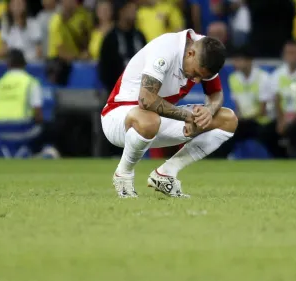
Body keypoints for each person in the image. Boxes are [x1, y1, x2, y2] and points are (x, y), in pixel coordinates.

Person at [100, 29, 236, 198]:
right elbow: (146, 100)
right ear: (190, 53)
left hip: (158, 120)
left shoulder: (207, 51)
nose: (196, 81)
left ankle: (166, 173)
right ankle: (123, 174)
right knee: (149, 119)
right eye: (195, 74)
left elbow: (215, 94)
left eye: (202, 77)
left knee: (228, 120)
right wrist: (187, 116)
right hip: (118, 117)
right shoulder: (166, 49)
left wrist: (209, 110)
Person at [0, 49, 59, 158]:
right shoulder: (30, 82)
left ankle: (23, 153)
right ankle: (45, 154)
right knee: (53, 128)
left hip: (1, 132)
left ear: (7, 64)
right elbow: (38, 114)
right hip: (24, 130)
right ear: (24, 63)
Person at [226, 48, 280, 157]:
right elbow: (238, 107)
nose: (236, 63)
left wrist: (242, 119)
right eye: (235, 60)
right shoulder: (233, 78)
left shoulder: (263, 78)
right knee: (226, 133)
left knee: (268, 137)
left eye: (239, 60)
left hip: (263, 122)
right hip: (245, 122)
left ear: (249, 61)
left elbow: (263, 111)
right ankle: (217, 159)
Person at [97, 1, 146, 94]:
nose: (134, 12)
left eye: (135, 9)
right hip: (117, 94)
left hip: (140, 93)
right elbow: (105, 72)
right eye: (131, 9)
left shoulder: (139, 36)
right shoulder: (110, 39)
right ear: (121, 11)